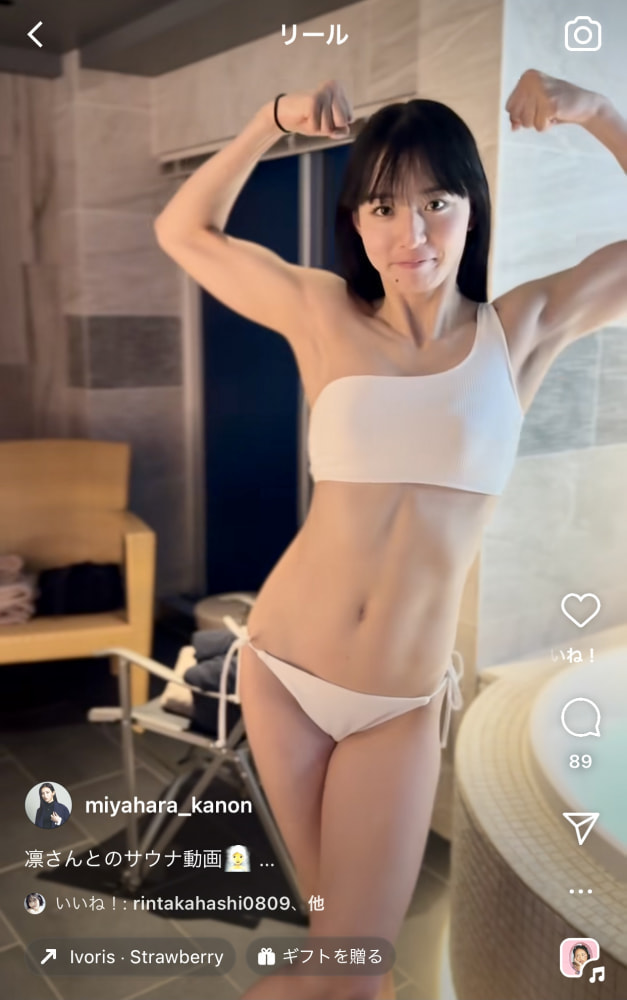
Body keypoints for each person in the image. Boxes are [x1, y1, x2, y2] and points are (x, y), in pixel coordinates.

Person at [155, 74, 627, 1000]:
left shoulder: (519, 330)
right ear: (356, 221)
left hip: (396, 704)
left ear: (471, 209)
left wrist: (598, 114)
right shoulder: (322, 312)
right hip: (284, 671)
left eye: (435, 203)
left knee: (349, 971)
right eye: (382, 206)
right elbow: (184, 231)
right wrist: (269, 120)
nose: (410, 233)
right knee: (338, 964)